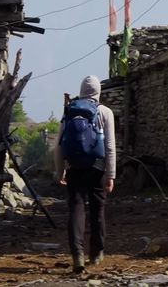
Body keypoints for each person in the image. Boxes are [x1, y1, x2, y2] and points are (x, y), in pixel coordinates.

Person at [54, 75, 117, 275]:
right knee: (98, 209)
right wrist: (111, 174)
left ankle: (77, 256)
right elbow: (109, 146)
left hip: (74, 167)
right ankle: (97, 253)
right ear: (98, 92)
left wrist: (60, 170)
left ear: (81, 91)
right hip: (97, 167)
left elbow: (59, 145)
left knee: (76, 209)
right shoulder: (105, 112)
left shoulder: (70, 111)